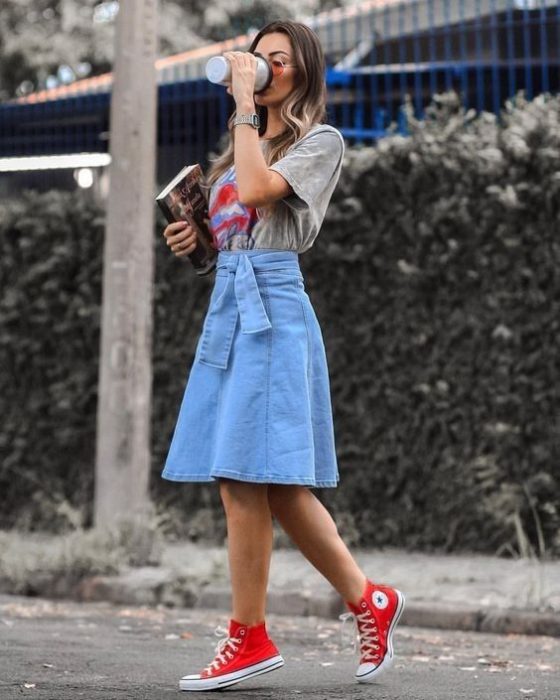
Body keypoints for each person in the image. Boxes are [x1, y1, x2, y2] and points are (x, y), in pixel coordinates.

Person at [161, 19, 405, 693]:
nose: (262, 68)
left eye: (276, 61)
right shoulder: (241, 145)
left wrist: (243, 106)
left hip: (275, 311)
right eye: (256, 59)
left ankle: (250, 636)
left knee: (242, 477)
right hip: (233, 307)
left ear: (301, 73)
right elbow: (232, 235)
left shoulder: (318, 141)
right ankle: (369, 600)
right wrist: (196, 242)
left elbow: (263, 194)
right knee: (273, 486)